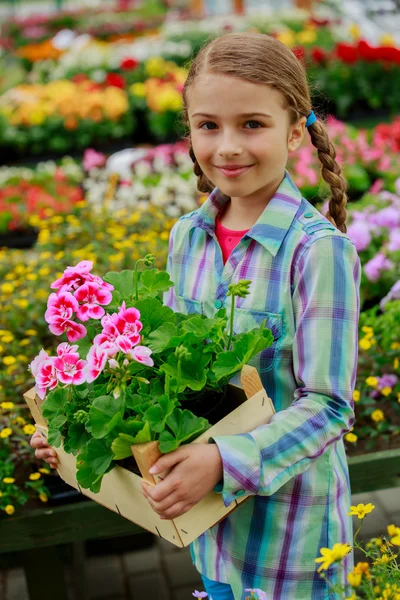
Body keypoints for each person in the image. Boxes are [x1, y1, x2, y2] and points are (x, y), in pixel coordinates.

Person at [31, 32, 361, 600]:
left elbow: (329, 406)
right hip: (210, 531)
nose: (227, 146)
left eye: (252, 124)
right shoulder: (189, 237)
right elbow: (172, 381)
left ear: (294, 129)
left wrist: (222, 460)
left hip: (292, 544)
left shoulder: (318, 250)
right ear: (189, 131)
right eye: (208, 125)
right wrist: (76, 431)